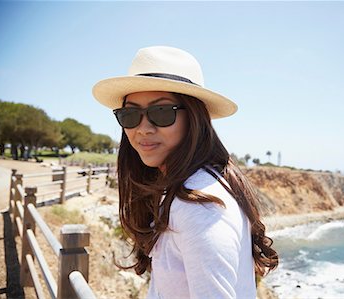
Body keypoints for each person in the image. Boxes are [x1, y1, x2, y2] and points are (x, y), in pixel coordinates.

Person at [93, 46, 278, 299]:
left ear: (194, 118)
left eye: (161, 112)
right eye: (130, 114)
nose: (143, 128)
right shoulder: (184, 187)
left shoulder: (198, 206)